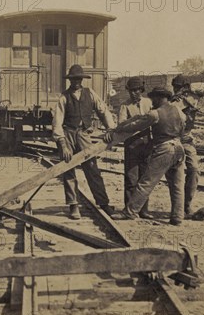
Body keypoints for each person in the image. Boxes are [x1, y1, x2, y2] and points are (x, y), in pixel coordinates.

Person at [105, 87, 187, 226]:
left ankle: (130, 212)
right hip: (179, 148)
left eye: (154, 98)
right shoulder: (179, 111)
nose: (152, 101)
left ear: (160, 98)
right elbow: (183, 126)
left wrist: (118, 128)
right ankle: (177, 217)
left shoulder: (155, 114)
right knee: (177, 185)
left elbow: (135, 126)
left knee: (146, 182)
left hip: (165, 149)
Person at [52, 64, 117, 220]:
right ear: (70, 80)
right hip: (67, 133)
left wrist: (110, 128)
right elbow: (57, 122)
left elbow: (103, 110)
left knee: (92, 168)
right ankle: (73, 205)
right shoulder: (64, 97)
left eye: (79, 79)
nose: (76, 82)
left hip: (83, 134)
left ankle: (103, 203)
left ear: (82, 80)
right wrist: (62, 144)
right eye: (73, 79)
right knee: (68, 168)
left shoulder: (90, 94)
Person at [171, 75, 204, 218]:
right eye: (175, 87)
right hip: (173, 140)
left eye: (180, 88)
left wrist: (188, 91)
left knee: (194, 170)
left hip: (187, 140)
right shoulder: (173, 102)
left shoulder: (193, 98)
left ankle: (186, 206)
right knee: (175, 176)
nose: (177, 90)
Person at [118, 77, 153, 219]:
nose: (134, 93)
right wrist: (135, 122)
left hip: (147, 144)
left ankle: (143, 210)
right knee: (131, 179)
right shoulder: (124, 106)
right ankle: (129, 210)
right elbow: (120, 125)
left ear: (141, 90)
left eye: (136, 90)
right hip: (131, 144)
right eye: (131, 91)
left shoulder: (149, 103)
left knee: (145, 179)